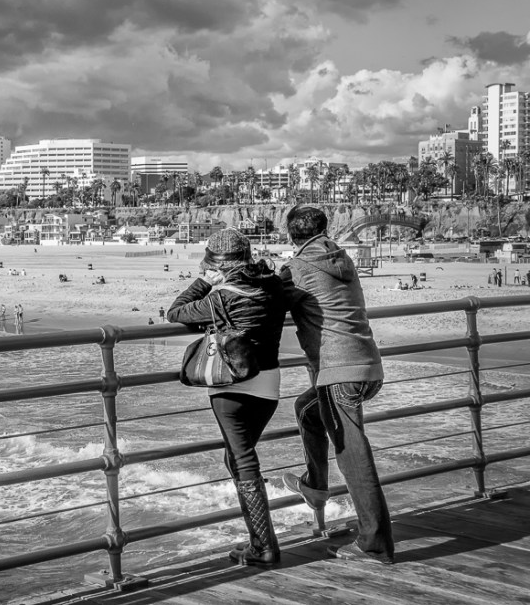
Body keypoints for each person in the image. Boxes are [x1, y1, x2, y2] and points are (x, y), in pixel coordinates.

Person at [279, 205, 394, 565]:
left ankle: (375, 545)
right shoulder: (342, 259)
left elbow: (264, 304)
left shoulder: (297, 270)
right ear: (324, 229)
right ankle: (315, 485)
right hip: (368, 366)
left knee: (354, 458)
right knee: (306, 410)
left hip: (338, 373)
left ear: (289, 234)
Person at [167, 228, 286, 567]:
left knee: (243, 461)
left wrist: (204, 281)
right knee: (236, 459)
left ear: (214, 263)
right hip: (269, 383)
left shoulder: (220, 297)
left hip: (231, 384)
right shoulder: (274, 286)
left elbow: (176, 312)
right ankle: (258, 541)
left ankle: (264, 547)